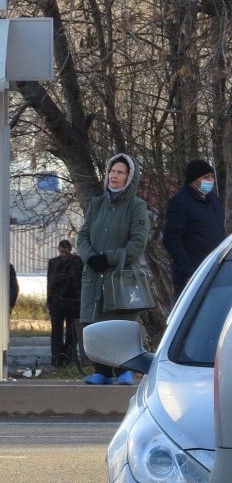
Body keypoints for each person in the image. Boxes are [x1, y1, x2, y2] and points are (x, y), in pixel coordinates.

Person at [77, 153, 150, 385]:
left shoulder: (136, 206)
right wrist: (90, 258)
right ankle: (102, 371)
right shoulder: (97, 204)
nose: (114, 176)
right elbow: (83, 235)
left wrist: (108, 258)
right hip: (95, 275)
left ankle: (124, 371)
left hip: (119, 278)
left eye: (120, 172)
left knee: (121, 324)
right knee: (96, 323)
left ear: (129, 177)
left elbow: (137, 244)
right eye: (111, 171)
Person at [163, 157, 224, 297]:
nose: (210, 180)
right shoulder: (179, 203)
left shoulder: (213, 200)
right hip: (193, 276)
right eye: (205, 177)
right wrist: (187, 272)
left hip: (216, 271)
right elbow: (171, 239)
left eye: (211, 177)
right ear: (193, 180)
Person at [46, 240, 83, 367]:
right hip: (59, 302)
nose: (64, 254)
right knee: (57, 331)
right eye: (62, 251)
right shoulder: (54, 263)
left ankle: (68, 357)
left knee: (71, 331)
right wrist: (50, 300)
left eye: (65, 251)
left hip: (73, 302)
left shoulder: (76, 262)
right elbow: (50, 282)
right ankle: (58, 358)